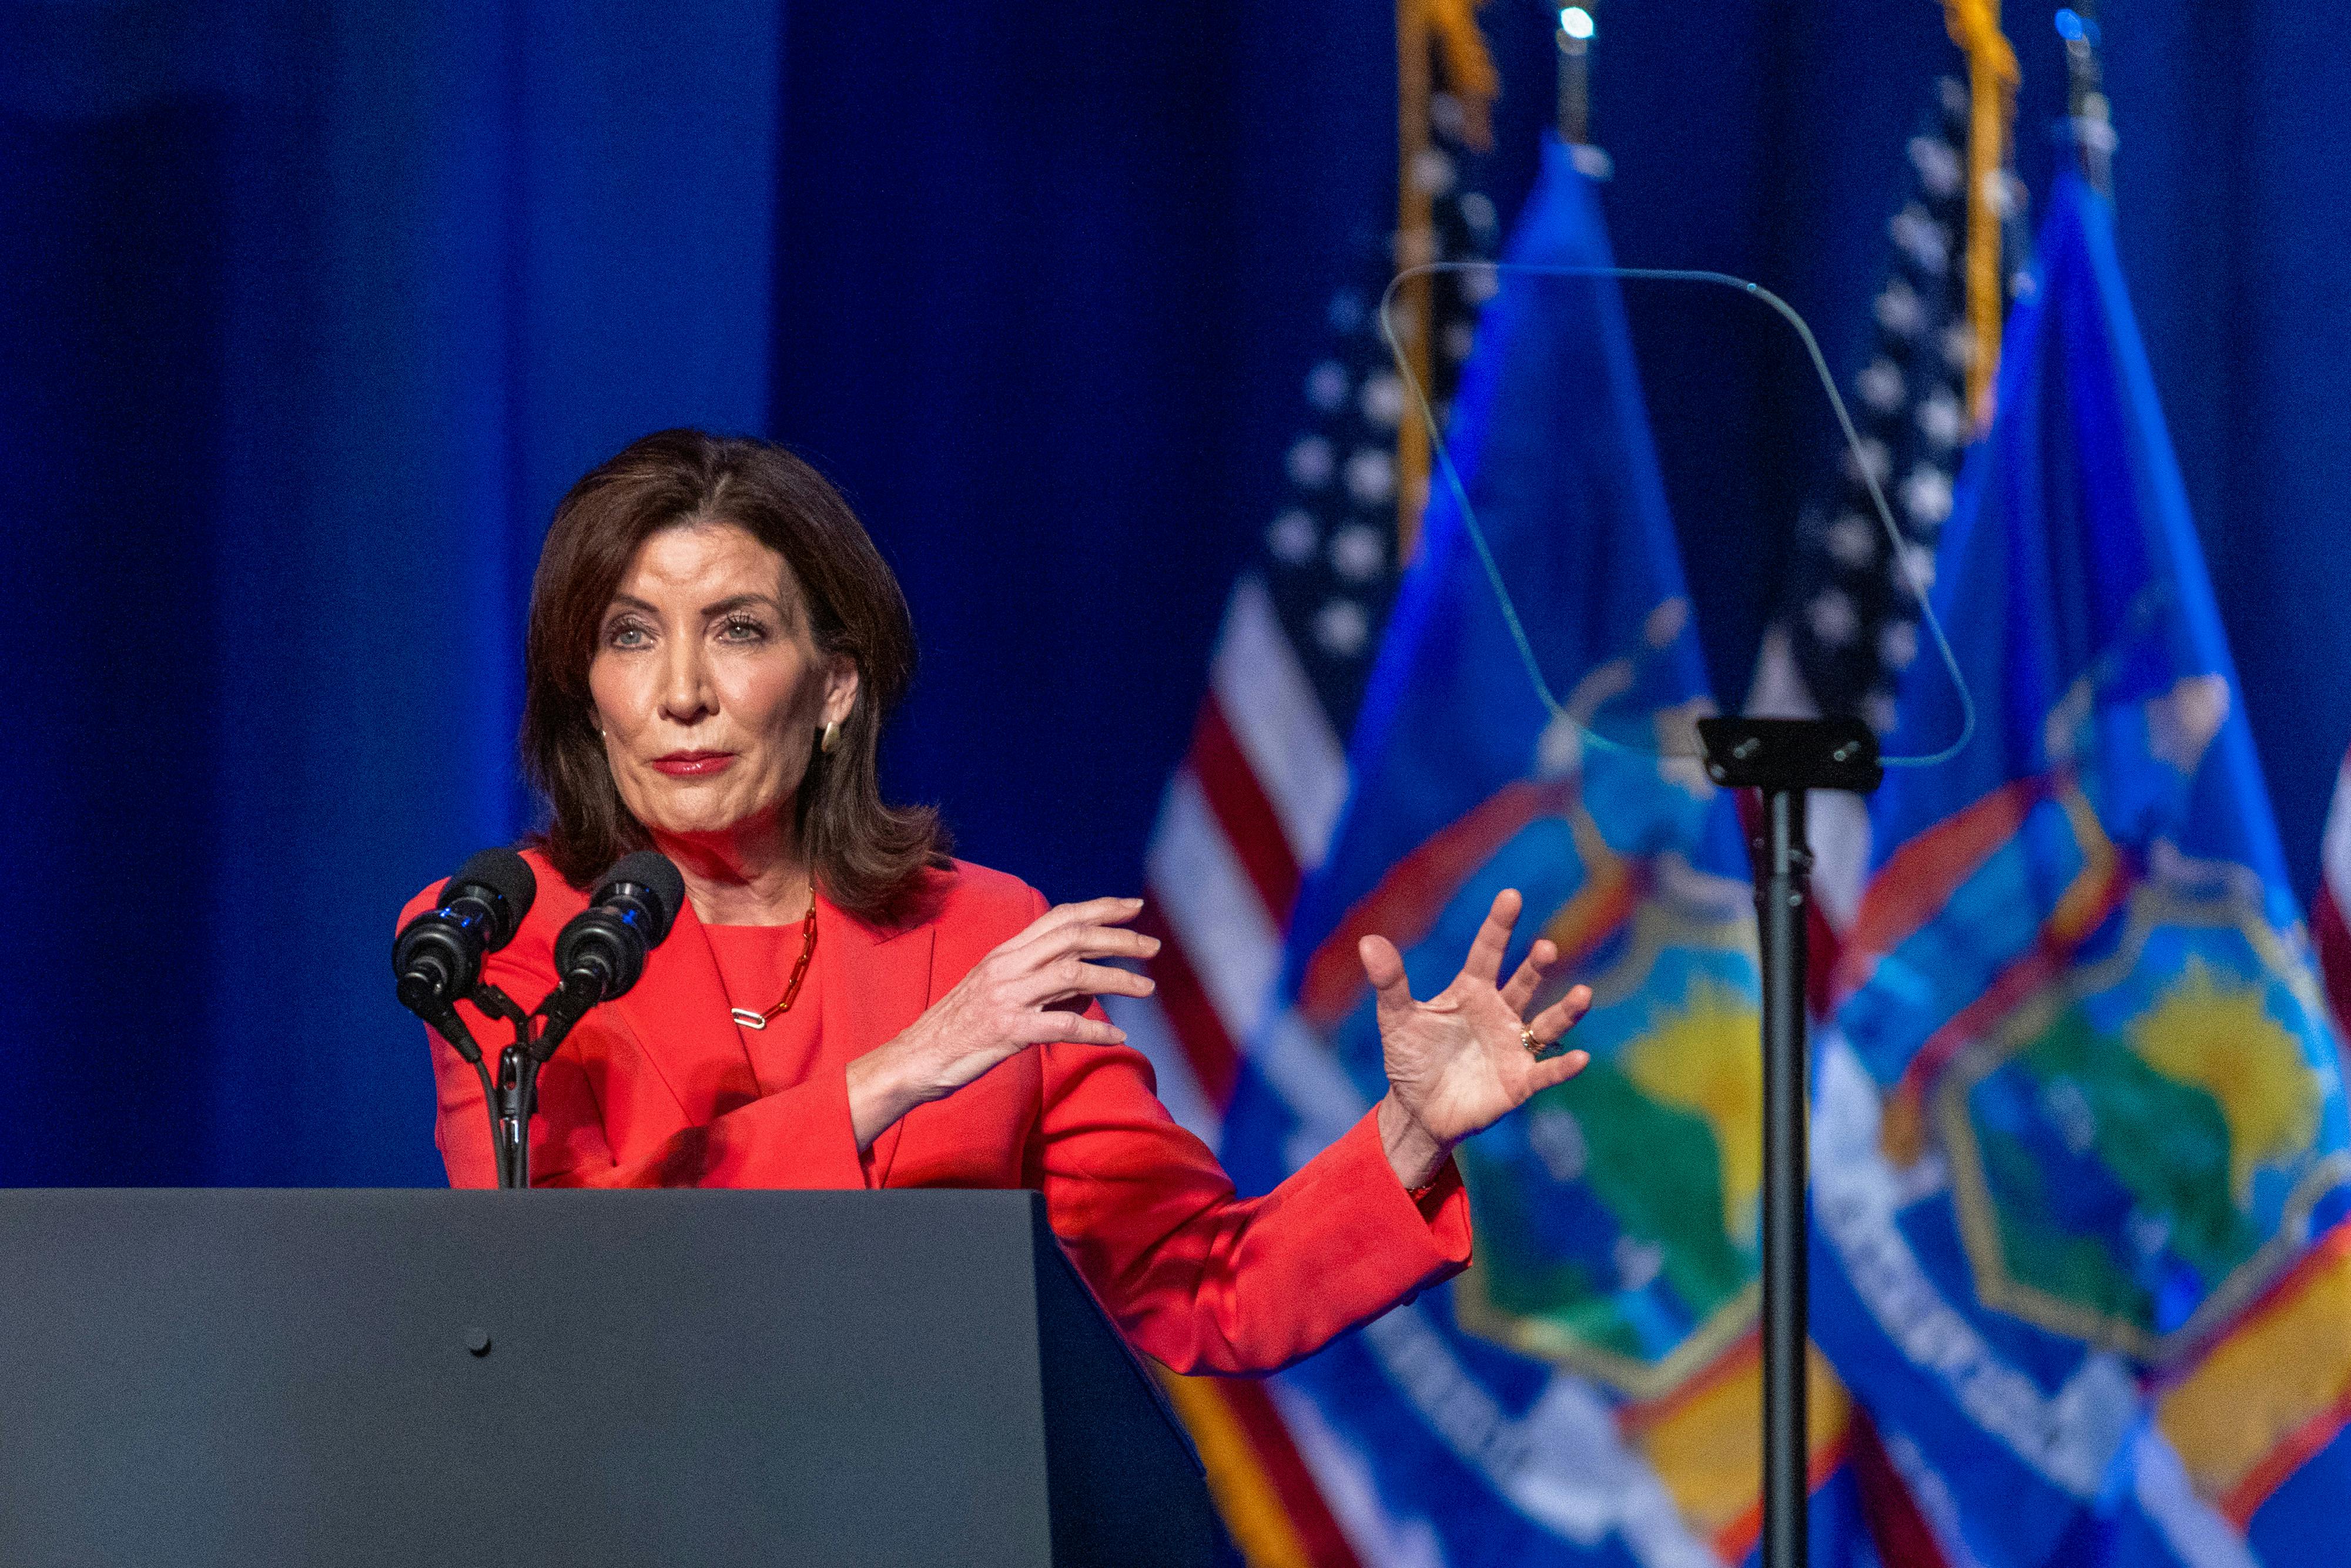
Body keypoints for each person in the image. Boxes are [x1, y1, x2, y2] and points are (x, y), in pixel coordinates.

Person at [400, 428, 1592, 1375]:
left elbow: (1200, 1283)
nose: (679, 693)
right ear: (584, 692)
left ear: (831, 688)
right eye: (628, 636)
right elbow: (566, 1288)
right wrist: (905, 1068)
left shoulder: (982, 937)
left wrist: (1411, 1130)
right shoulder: (513, 944)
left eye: (737, 632)